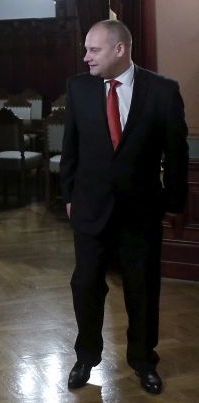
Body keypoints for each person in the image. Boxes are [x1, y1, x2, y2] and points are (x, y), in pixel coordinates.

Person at [61, 20, 188, 394]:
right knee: (85, 286)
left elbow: (176, 154)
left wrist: (176, 205)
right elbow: (70, 149)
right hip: (90, 210)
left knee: (142, 289)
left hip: (140, 213)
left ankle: (144, 361)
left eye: (93, 50)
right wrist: (68, 197)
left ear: (119, 49)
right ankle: (86, 357)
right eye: (86, 50)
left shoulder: (163, 91)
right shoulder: (78, 88)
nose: (86, 57)